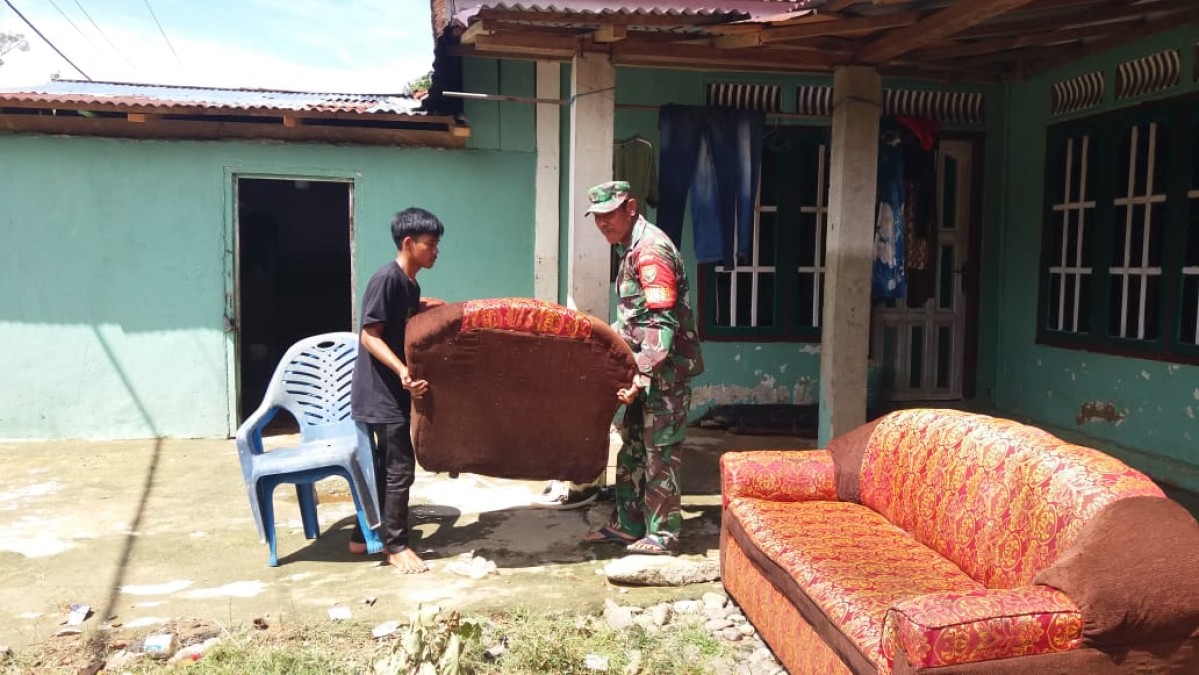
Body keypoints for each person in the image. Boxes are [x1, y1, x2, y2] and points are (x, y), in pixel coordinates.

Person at [581, 180, 704, 555]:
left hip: (663, 376)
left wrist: (641, 374)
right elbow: (634, 318)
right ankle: (630, 523)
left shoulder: (651, 251)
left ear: (630, 208)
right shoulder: (628, 247)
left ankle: (663, 534)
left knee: (660, 452)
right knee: (632, 447)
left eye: (609, 215)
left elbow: (661, 325)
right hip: (640, 372)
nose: (603, 224)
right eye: (597, 218)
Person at [348, 207, 446, 573]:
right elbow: (369, 335)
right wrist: (403, 371)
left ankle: (362, 537)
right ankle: (396, 546)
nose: (436, 251)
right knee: (399, 470)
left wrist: (423, 305)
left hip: (391, 390)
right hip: (380, 392)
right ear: (409, 243)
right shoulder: (386, 279)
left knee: (381, 468)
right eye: (431, 244)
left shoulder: (409, 284)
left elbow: (395, 318)